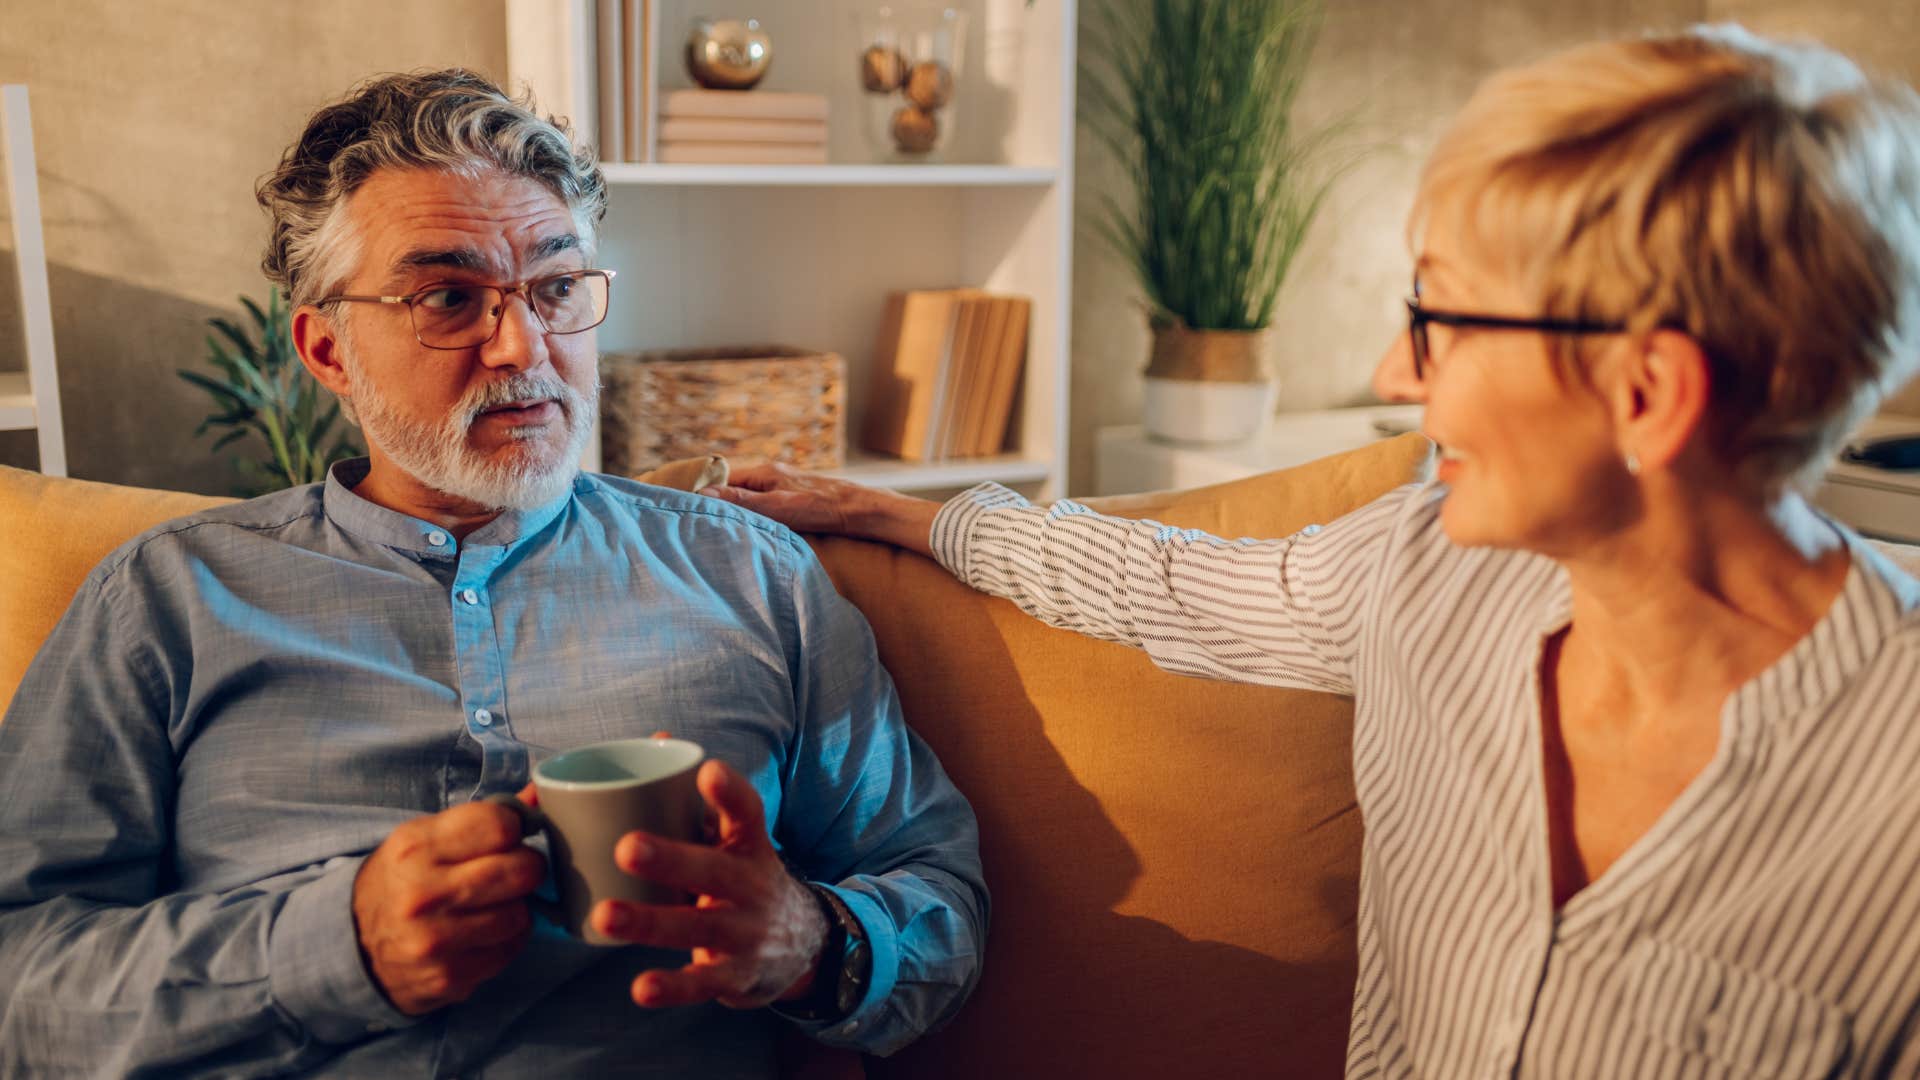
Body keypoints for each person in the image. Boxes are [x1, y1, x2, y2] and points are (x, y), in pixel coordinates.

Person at [706, 25, 1920, 1077]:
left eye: (1440, 320)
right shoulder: (1424, 565)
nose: (1398, 375)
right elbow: (1169, 579)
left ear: (1650, 392)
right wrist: (899, 515)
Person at [0, 70, 985, 1077]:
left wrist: (809, 944)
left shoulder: (755, 577)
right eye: (447, 297)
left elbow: (939, 895)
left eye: (557, 288)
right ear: (328, 349)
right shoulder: (168, 600)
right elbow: (19, 985)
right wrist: (333, 949)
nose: (524, 346)